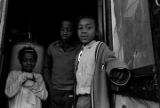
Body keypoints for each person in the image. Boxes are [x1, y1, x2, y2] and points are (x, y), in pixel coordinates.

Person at [75, 15, 131, 108]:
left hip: (93, 98)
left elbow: (109, 60)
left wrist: (116, 70)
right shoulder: (79, 53)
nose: (83, 31)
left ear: (96, 31)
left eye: (89, 27)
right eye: (80, 28)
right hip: (80, 98)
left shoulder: (99, 47)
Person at [43, 18, 81, 108]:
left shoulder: (79, 48)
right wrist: (50, 87)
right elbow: (46, 67)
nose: (65, 32)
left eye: (69, 30)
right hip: (54, 91)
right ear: (59, 31)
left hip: (70, 91)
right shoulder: (52, 47)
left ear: (74, 31)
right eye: (63, 29)